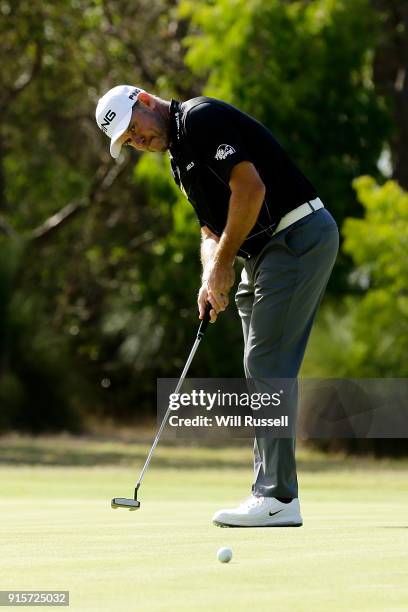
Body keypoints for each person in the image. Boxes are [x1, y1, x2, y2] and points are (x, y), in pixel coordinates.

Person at [95, 85, 339, 527]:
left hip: (298, 235)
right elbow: (209, 229)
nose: (139, 142)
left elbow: (250, 189)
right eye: (129, 142)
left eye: (135, 130)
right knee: (261, 366)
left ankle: (277, 498)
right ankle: (269, 491)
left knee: (266, 362)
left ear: (146, 101)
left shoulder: (201, 119)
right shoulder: (179, 160)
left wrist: (225, 263)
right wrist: (211, 274)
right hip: (263, 252)